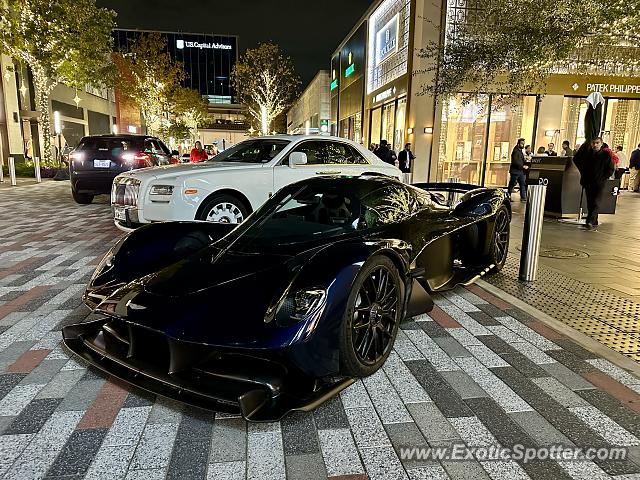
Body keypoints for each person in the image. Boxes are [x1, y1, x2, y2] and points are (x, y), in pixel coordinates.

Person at [573, 137, 615, 230]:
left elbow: (610, 168)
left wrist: (603, 178)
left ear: (601, 144)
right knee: (590, 201)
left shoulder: (606, 155)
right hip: (588, 181)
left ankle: (590, 221)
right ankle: (594, 220)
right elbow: (576, 159)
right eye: (593, 143)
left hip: (599, 182)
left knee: (596, 201)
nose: (595, 145)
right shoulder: (588, 154)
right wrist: (583, 173)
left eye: (597, 143)